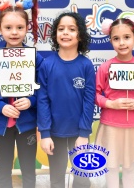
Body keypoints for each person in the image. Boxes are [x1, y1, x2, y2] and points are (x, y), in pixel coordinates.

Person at [0, 0, 43, 188]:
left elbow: (45, 88)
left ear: (27, 28)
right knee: (4, 168)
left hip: (27, 124)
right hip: (1, 125)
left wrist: (31, 101)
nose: (14, 32)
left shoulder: (36, 58)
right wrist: (1, 106)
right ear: (1, 29)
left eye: (19, 27)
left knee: (28, 167)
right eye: (8, 27)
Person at [95, 15, 134, 188]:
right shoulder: (105, 67)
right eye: (116, 39)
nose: (122, 43)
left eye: (126, 37)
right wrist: (110, 104)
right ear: (110, 41)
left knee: (130, 166)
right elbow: (94, 94)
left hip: (133, 126)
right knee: (112, 165)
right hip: (110, 126)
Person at [37, 12, 95, 188]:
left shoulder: (86, 65)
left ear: (80, 35)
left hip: (79, 133)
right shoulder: (47, 64)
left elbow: (88, 101)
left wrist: (84, 134)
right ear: (55, 34)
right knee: (56, 177)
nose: (65, 33)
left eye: (71, 29)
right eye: (61, 29)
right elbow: (42, 101)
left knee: (83, 178)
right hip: (54, 133)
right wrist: (45, 134)